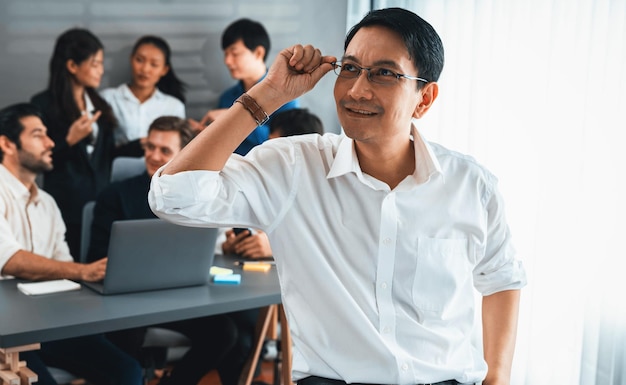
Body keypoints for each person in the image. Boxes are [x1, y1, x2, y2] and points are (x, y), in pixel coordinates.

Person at [149, 7, 527, 385]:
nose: (357, 90)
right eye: (349, 68)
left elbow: (502, 278)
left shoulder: (470, 184)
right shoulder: (295, 167)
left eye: (384, 73)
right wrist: (268, 94)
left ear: (424, 99)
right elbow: (173, 197)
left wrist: (498, 378)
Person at [87, 116, 241, 385]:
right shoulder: (114, 194)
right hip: (126, 301)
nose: (153, 155)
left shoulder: (196, 198)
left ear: (185, 153)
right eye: (149, 147)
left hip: (182, 296)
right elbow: (95, 258)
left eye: (164, 150)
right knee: (126, 339)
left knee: (225, 333)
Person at [0, 102, 143, 385]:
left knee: (128, 371)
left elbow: (62, 265)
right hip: (6, 332)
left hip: (46, 324)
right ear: (6, 144)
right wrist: (83, 271)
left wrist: (83, 280)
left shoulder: (48, 203)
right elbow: (10, 259)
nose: (51, 142)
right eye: (38, 135)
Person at [31, 28, 118, 260]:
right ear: (72, 66)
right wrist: (70, 140)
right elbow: (37, 159)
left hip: (100, 204)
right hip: (65, 206)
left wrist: (143, 143)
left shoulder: (100, 103)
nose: (101, 70)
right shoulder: (43, 104)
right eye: (95, 63)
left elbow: (107, 155)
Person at [220, 108, 325, 258]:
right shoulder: (259, 184)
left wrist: (277, 248)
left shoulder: (326, 192)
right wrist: (232, 247)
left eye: (274, 146)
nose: (265, 151)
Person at [189, 18, 299, 155]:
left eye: (234, 54)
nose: (227, 61)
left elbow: (284, 145)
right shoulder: (227, 97)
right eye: (226, 54)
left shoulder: (285, 95)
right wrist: (207, 134)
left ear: (259, 53)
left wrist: (234, 118)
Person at [101, 35, 186, 157]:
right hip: (118, 170)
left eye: (154, 64)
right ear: (131, 59)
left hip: (159, 171)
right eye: (139, 60)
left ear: (164, 70)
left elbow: (178, 151)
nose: (145, 69)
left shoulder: (174, 106)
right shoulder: (108, 99)